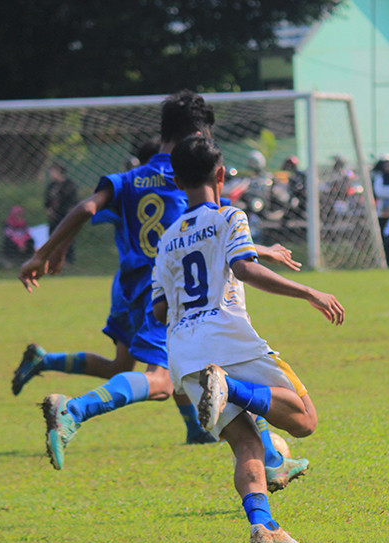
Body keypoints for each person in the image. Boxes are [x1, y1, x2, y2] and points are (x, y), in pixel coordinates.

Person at [18, 91, 306, 492]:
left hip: (130, 285)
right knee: (163, 380)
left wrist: (48, 252)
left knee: (164, 364)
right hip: (172, 293)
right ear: (201, 134)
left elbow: (86, 209)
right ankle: (74, 409)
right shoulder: (183, 179)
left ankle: (258, 455)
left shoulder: (130, 178)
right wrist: (255, 249)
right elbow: (202, 235)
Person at [151, 134, 345, 543]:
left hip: (184, 353)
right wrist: (309, 292)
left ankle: (263, 526)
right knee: (305, 420)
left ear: (177, 179)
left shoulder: (165, 240)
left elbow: (158, 311)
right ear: (221, 175)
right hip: (227, 338)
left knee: (245, 442)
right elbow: (243, 269)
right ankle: (230, 388)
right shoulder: (229, 217)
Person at [44, 163, 79, 264]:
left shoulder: (69, 184)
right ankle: (52, 259)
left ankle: (67, 259)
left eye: (53, 171)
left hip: (66, 215)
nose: (51, 173)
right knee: (53, 236)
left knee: (67, 237)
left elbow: (73, 201)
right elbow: (47, 200)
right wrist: (49, 209)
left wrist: (69, 212)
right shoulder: (52, 185)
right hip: (54, 216)